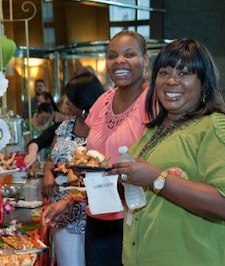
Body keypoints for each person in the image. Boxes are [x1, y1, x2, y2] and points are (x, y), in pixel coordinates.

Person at [108, 38, 225, 265]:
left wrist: (156, 178)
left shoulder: (213, 126)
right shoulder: (152, 131)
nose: (171, 81)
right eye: (164, 73)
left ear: (203, 82)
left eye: (184, 73)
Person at [84, 30, 150, 266]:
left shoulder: (154, 100)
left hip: (135, 214)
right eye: (112, 56)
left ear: (145, 60)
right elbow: (87, 149)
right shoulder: (103, 100)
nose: (119, 61)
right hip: (97, 211)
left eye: (129, 54)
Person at [41, 67, 106, 266]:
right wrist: (48, 175)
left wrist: (70, 197)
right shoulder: (65, 126)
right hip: (62, 215)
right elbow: (52, 158)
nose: (67, 103)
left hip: (92, 215)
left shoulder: (103, 130)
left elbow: (102, 174)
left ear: (85, 101)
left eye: (72, 99)